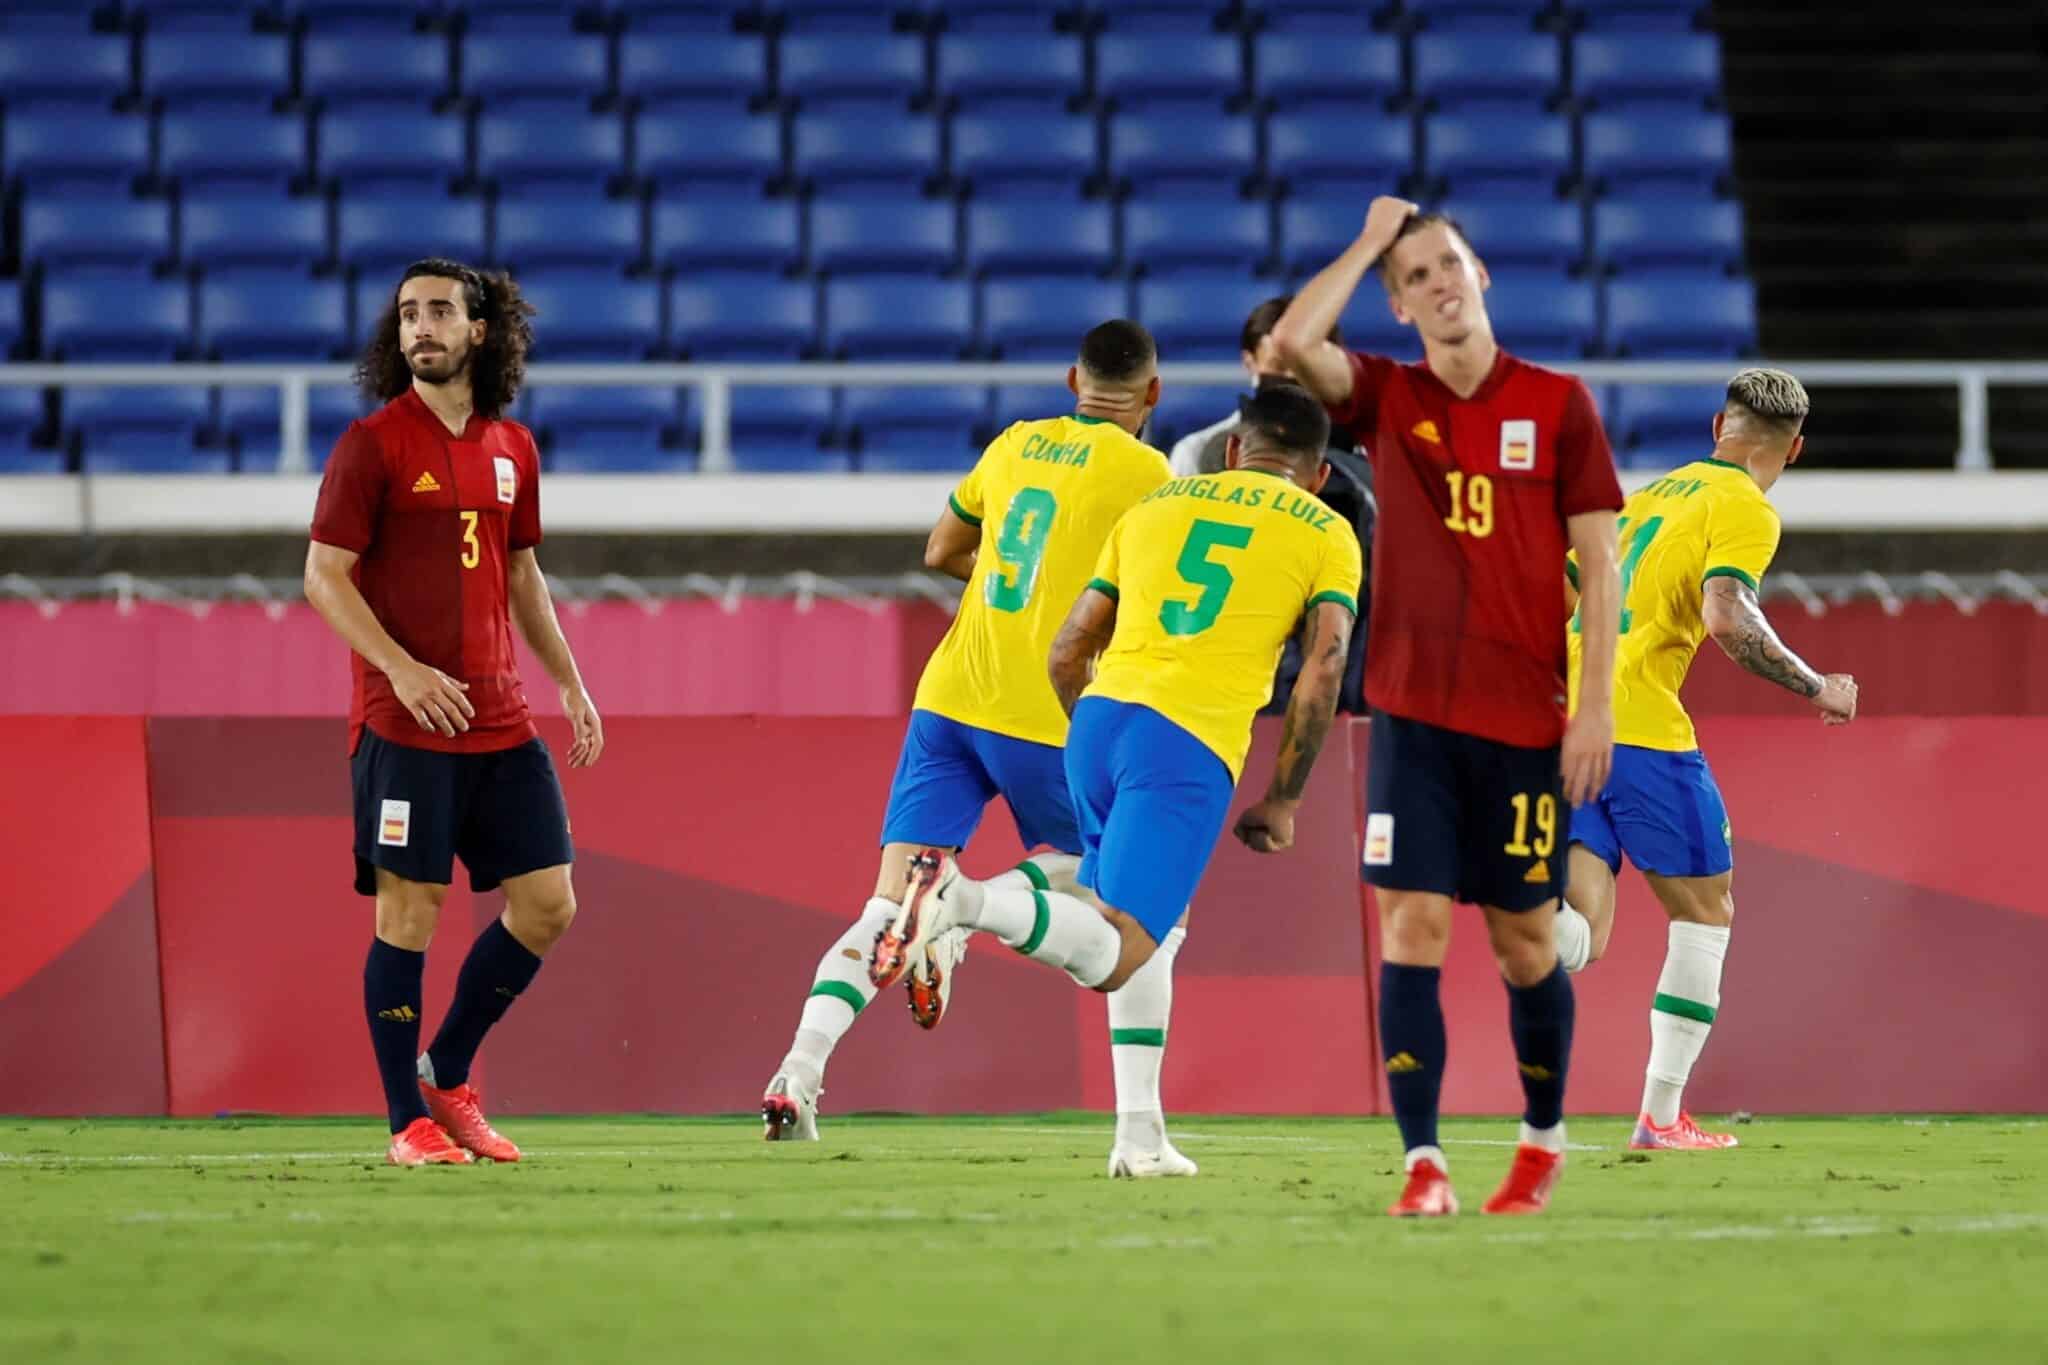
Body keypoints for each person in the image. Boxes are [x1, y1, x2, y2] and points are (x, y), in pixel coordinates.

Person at [867, 383, 1362, 1172]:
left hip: (1098, 719)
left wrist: (1090, 732)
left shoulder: (1159, 506)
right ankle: (963, 901)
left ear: (1235, 450)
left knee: (1152, 929)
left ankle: (1140, 1134)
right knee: (1123, 948)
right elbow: (1324, 668)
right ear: (1318, 474)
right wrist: (1285, 796)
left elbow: (1069, 644)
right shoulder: (1328, 531)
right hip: (1189, 741)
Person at [761, 320, 1192, 1177]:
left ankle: (796, 1075)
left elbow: (942, 548)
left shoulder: (1015, 444)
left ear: (1073, 380)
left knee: (887, 905)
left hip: (950, 697)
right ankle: (964, 908)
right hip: (1049, 713)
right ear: (1154, 395)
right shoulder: (1152, 476)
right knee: (1133, 902)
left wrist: (1018, 593)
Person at [1266, 198, 1624, 1217]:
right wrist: (1370, 237)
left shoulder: (1557, 405)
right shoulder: (1386, 398)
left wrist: (1592, 709)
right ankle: (1423, 1165)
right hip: (1413, 719)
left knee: (1523, 944)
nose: (1439, 282)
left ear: (1481, 274)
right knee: (1411, 930)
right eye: (1416, 274)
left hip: (1524, 722)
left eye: (1450, 263)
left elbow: (1599, 568)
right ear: (1397, 299)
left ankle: (1541, 1139)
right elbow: (1293, 342)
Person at [305, 258, 604, 1167]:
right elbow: (322, 576)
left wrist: (571, 680)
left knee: (549, 903)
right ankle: (408, 1121)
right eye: (407, 314)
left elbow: (521, 575)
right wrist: (399, 671)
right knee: (412, 912)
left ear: (480, 330)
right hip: (406, 726)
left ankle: (448, 1066)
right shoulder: (372, 444)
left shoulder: (514, 449)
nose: (421, 327)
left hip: (502, 719)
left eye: (439, 311)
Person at [1552, 369, 1858, 1150]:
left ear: (1717, 425)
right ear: (1794, 448)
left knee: (1585, 927)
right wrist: (1817, 685)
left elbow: (1562, 591)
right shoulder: (1745, 508)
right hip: (1641, 726)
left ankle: (1503, 916)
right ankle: (1660, 1115)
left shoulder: (1647, 496)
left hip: (1564, 719)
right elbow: (1727, 614)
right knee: (1706, 912)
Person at [1166, 297, 1350, 478]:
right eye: (1278, 366)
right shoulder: (1195, 454)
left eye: (1305, 366)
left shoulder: (1369, 451)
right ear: (1250, 362)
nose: (1293, 376)